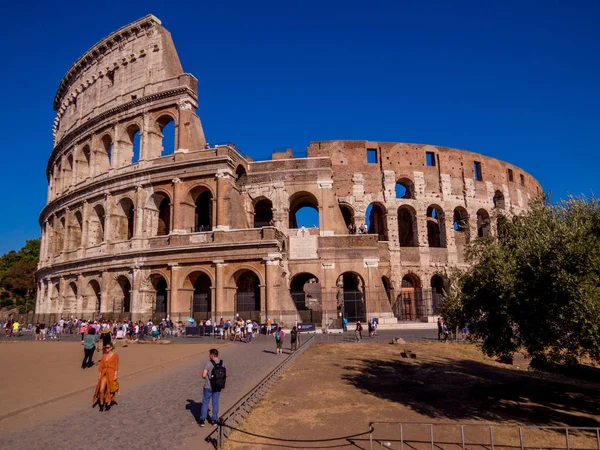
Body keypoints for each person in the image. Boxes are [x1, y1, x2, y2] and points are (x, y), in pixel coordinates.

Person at [200, 348, 227, 427]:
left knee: (205, 402)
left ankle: (202, 420)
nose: (209, 355)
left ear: (212, 355)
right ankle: (214, 420)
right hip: (218, 386)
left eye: (209, 354)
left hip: (208, 386)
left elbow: (203, 375)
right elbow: (226, 374)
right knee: (215, 403)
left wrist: (209, 378)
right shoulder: (222, 363)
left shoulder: (208, 363)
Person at [93, 342, 119, 412]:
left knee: (110, 389)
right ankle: (101, 404)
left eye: (108, 348)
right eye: (105, 348)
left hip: (111, 373)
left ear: (111, 348)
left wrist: (115, 375)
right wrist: (99, 376)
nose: (106, 349)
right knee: (101, 389)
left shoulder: (115, 355)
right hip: (104, 373)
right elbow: (100, 367)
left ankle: (108, 402)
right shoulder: (104, 356)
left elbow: (116, 366)